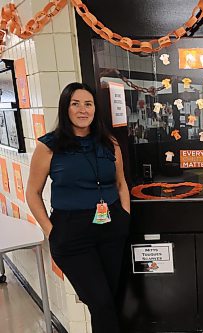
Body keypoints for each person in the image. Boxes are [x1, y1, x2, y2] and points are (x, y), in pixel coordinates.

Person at [26, 82, 131, 333]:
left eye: (88, 104)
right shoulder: (49, 146)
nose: (83, 110)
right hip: (71, 235)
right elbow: (33, 193)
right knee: (101, 301)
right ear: (66, 108)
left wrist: (124, 216)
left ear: (95, 109)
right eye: (76, 104)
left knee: (109, 301)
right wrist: (52, 232)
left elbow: (120, 183)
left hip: (111, 229)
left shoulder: (109, 143)